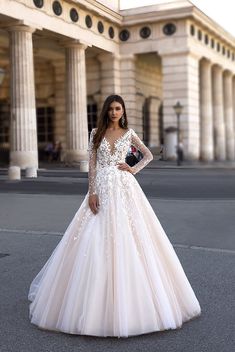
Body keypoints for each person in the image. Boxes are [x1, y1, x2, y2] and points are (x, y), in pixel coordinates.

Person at [28, 94, 201, 338]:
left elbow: (148, 155)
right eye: (110, 108)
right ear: (106, 111)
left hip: (125, 188)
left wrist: (133, 169)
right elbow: (92, 165)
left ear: (123, 111)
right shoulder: (96, 133)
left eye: (118, 108)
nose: (114, 112)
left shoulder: (129, 133)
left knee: (132, 236)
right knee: (93, 237)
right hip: (101, 188)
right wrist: (91, 192)